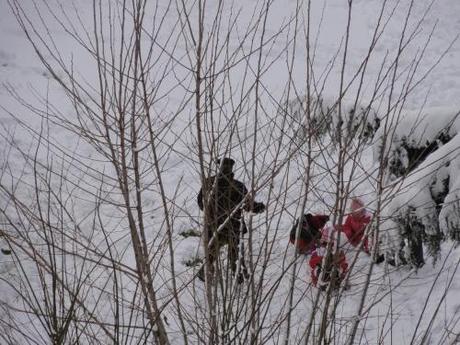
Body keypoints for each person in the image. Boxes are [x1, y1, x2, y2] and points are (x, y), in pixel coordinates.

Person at [197, 157, 265, 282]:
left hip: (213, 226)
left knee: (212, 253)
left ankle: (205, 273)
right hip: (233, 226)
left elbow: (200, 203)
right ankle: (238, 276)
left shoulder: (208, 183)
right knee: (234, 252)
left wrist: (211, 214)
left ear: (219, 167)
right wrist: (259, 207)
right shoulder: (237, 186)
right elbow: (249, 206)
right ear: (231, 169)